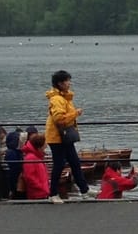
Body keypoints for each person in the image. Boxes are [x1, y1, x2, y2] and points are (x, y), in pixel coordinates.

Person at [44, 70, 90, 199]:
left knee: (75, 162)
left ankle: (84, 190)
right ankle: (53, 194)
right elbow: (59, 119)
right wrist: (75, 113)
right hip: (57, 137)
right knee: (59, 165)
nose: (69, 83)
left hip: (64, 136)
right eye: (67, 81)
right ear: (60, 83)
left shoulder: (65, 98)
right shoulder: (57, 99)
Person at [18, 130, 51, 201]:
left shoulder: (37, 157)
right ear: (39, 147)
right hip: (37, 193)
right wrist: (41, 187)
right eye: (44, 147)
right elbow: (29, 177)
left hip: (41, 192)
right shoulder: (31, 158)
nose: (45, 148)